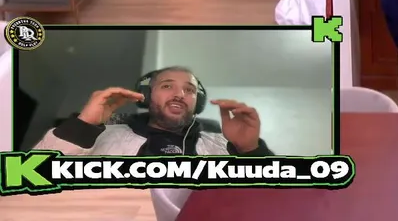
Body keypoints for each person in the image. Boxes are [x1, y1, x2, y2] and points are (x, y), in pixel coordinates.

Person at [33, 66, 271, 156]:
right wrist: (83, 125)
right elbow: (35, 175)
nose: (180, 94)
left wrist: (250, 150)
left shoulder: (222, 146)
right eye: (167, 86)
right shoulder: (103, 137)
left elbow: (267, 202)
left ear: (197, 103)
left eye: (189, 90)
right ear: (146, 95)